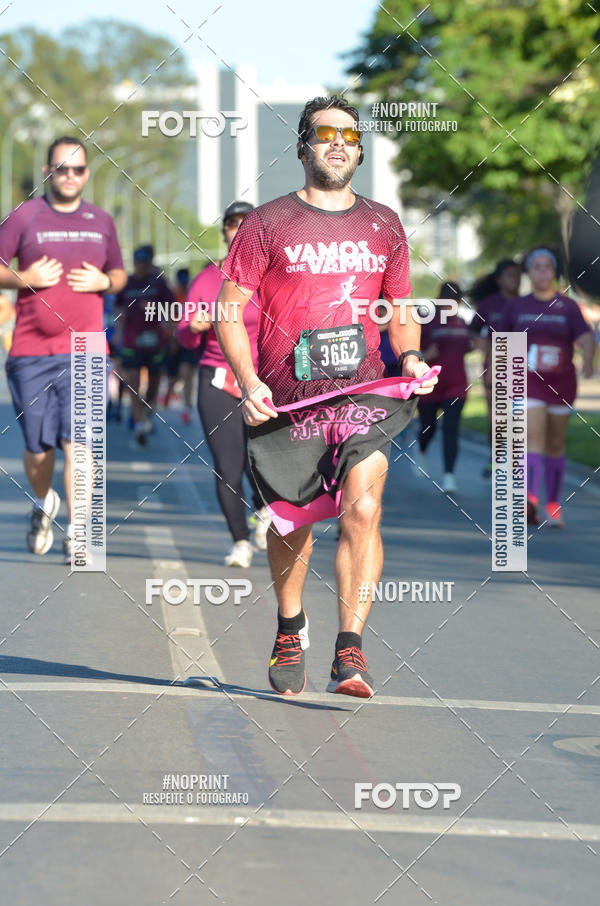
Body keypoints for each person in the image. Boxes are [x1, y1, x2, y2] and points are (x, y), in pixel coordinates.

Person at [214, 96, 437, 698]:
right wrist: (249, 379)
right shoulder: (267, 224)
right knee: (293, 522)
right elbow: (228, 312)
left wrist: (410, 355)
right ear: (303, 146)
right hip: (286, 399)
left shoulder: (385, 224)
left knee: (363, 509)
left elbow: (399, 310)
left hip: (363, 393)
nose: (339, 142)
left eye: (350, 134)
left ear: (360, 149)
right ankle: (290, 625)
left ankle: (350, 649)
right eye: (326, 133)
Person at [0, 136, 126, 563]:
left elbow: (120, 274)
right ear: (47, 172)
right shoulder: (25, 216)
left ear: (86, 174)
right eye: (61, 167)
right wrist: (23, 277)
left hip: (88, 346)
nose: (69, 175)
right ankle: (43, 503)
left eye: (77, 169)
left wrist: (104, 283)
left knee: (81, 444)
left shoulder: (101, 221)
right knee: (39, 447)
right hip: (30, 350)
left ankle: (79, 532)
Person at [177, 202, 270, 568]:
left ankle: (264, 510)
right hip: (216, 378)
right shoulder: (207, 279)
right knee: (227, 466)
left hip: (264, 380)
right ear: (224, 234)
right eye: (232, 224)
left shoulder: (272, 275)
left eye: (246, 224)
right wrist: (193, 328)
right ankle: (240, 542)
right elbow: (183, 336)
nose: (238, 229)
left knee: (260, 462)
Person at [501, 247, 595, 527]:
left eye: (547, 266)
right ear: (530, 272)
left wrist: (588, 359)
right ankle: (528, 499)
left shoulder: (567, 307)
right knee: (532, 436)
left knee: (555, 442)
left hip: (562, 382)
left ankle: (553, 502)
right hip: (527, 381)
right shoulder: (516, 307)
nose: (542, 271)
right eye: (537, 266)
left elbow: (586, 337)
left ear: (554, 272)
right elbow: (502, 340)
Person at [414, 283, 472, 493]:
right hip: (431, 385)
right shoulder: (428, 323)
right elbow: (412, 352)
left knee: (451, 430)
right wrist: (424, 355)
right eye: (448, 300)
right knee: (429, 426)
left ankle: (449, 476)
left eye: (456, 301)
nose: (452, 305)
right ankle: (421, 449)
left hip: (456, 384)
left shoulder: (462, 324)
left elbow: (468, 348)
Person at [115, 245, 174, 445]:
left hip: (155, 341)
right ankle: (139, 424)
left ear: (149, 264)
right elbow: (118, 307)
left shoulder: (159, 283)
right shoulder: (128, 283)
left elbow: (172, 308)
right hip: (132, 341)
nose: (140, 266)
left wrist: (157, 310)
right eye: (137, 262)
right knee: (132, 383)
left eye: (144, 263)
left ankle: (148, 409)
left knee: (153, 384)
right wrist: (118, 329)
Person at [469, 259, 522, 476]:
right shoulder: (489, 305)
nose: (516, 280)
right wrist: (479, 342)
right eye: (510, 275)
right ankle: (496, 456)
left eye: (518, 275)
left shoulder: (526, 302)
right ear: (499, 280)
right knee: (497, 417)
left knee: (519, 415)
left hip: (521, 366)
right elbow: (473, 329)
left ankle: (517, 460)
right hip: (495, 365)